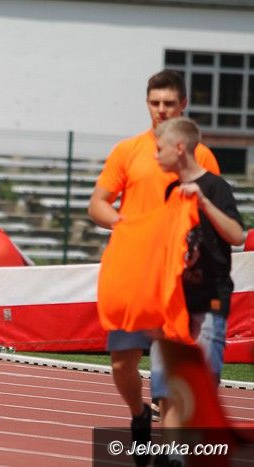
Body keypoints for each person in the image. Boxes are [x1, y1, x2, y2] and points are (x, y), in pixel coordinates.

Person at [88, 69, 220, 466]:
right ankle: (138, 413)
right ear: (147, 103)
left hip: (176, 280)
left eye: (169, 103)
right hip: (131, 274)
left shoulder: (201, 156)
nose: (161, 110)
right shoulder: (128, 151)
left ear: (183, 105)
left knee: (169, 370)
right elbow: (97, 204)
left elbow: (212, 211)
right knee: (121, 363)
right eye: (155, 103)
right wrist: (123, 223)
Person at [152, 117, 243, 431]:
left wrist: (204, 204)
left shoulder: (217, 187)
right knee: (164, 388)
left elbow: (236, 235)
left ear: (179, 148)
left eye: (160, 149)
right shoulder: (169, 190)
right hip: (173, 302)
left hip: (210, 300)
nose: (155, 155)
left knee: (202, 385)